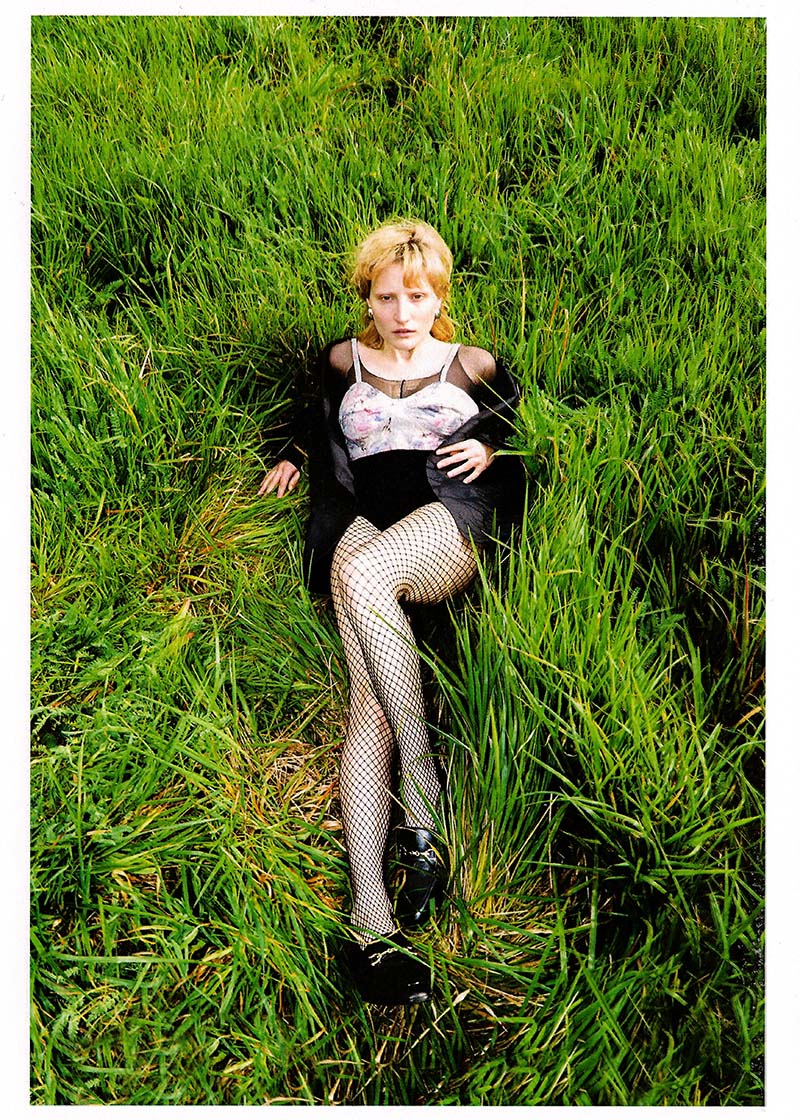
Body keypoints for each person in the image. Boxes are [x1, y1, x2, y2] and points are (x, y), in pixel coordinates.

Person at [259, 219, 525, 1005]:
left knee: (366, 573)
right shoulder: (343, 359)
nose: (402, 313)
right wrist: (292, 455)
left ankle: (423, 784)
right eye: (386, 297)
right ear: (366, 298)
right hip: (362, 519)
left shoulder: (473, 364)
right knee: (364, 709)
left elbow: (522, 436)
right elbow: (311, 418)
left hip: (447, 520)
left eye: (417, 296)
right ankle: (371, 930)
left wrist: (493, 451)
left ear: (439, 297)